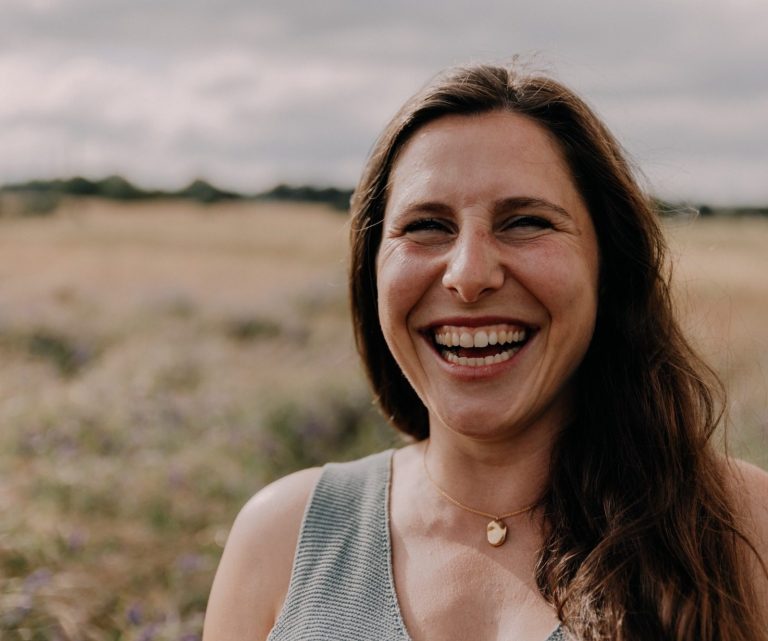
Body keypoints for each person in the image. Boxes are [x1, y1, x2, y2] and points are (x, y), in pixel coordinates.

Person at [202, 63, 768, 641]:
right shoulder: (281, 538)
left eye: (524, 222)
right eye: (426, 226)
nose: (469, 275)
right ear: (372, 271)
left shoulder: (744, 529)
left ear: (609, 267)